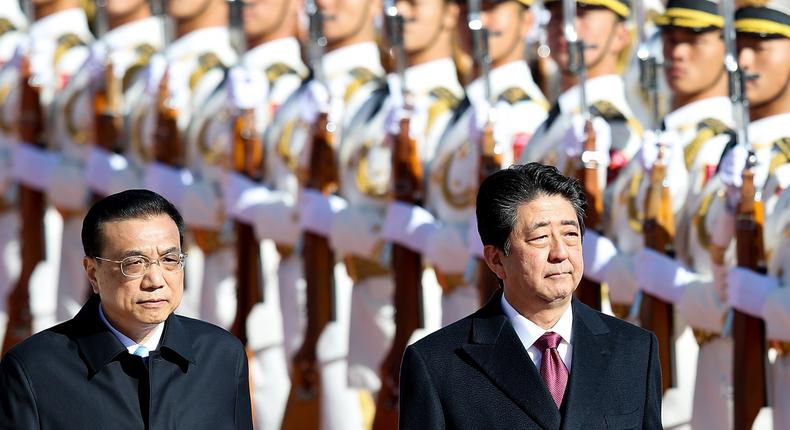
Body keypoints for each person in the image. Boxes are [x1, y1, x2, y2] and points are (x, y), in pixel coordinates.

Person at [399, 162, 662, 429]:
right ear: (496, 260)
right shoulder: (438, 364)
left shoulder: (635, 350)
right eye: (540, 238)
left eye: (571, 234)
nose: (560, 252)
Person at [0, 189, 253, 429]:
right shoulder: (35, 369)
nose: (155, 281)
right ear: (92, 273)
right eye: (134, 263)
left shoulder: (221, 356)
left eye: (169, 260)